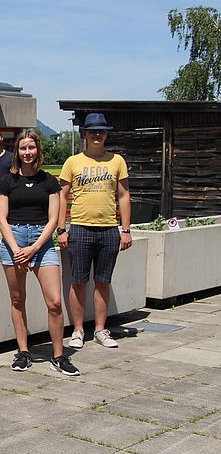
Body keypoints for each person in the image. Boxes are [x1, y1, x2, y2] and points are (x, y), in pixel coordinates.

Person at [0, 129, 79, 376]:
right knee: (17, 299)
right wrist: (16, 249)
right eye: (23, 148)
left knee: (54, 302)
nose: (27, 152)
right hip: (14, 240)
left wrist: (33, 248)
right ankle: (23, 352)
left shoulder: (49, 181)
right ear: (17, 152)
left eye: (31, 147)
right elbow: (1, 218)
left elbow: (54, 219)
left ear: (38, 150)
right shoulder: (7, 181)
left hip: (42, 242)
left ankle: (59, 355)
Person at [58, 113, 132, 350]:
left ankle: (100, 329)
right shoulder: (73, 161)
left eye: (101, 131)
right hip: (79, 228)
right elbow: (62, 195)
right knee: (78, 282)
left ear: (106, 133)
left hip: (109, 229)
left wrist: (126, 229)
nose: (97, 135)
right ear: (85, 134)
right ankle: (78, 330)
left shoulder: (116, 161)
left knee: (103, 281)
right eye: (93, 131)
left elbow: (123, 195)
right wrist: (61, 228)